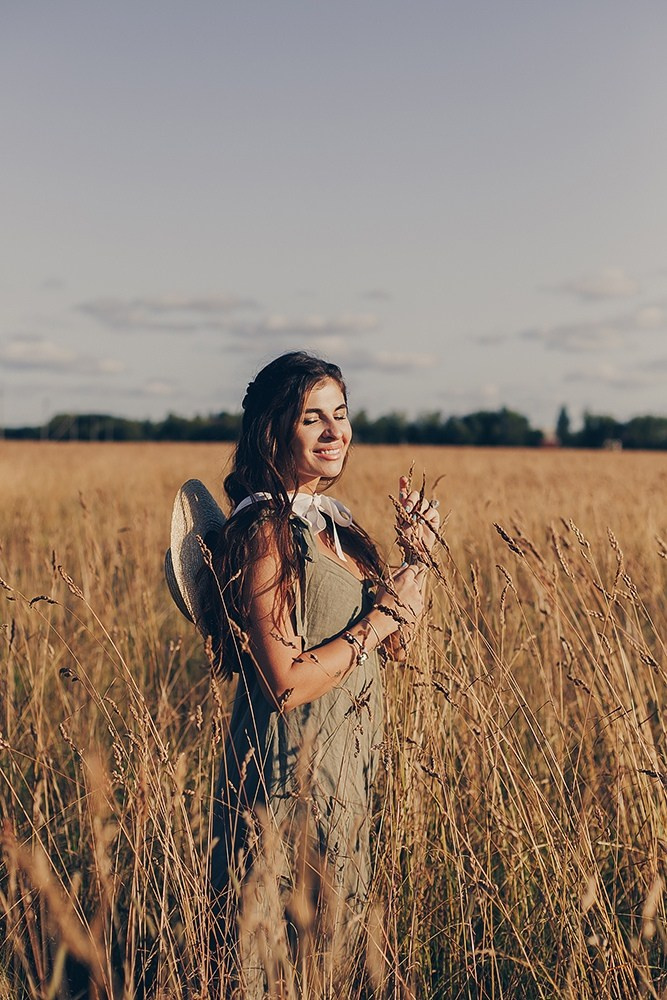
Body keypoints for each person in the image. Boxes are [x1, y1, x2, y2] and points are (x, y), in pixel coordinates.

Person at [204, 351, 440, 994]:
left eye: (341, 414)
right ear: (274, 430)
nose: (336, 432)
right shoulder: (265, 531)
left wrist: (415, 559)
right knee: (271, 969)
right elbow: (285, 680)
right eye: (314, 419)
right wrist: (379, 620)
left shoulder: (335, 525)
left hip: (347, 783)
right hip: (285, 785)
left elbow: (392, 646)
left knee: (335, 968)